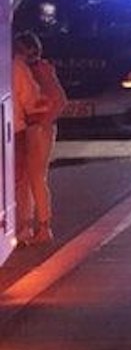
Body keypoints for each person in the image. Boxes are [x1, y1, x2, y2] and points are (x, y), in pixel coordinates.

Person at [12, 32, 64, 247]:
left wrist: (42, 121)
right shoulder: (34, 69)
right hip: (37, 127)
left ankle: (42, 226)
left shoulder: (39, 69)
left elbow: (59, 100)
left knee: (34, 178)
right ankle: (30, 225)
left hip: (38, 128)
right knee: (29, 179)